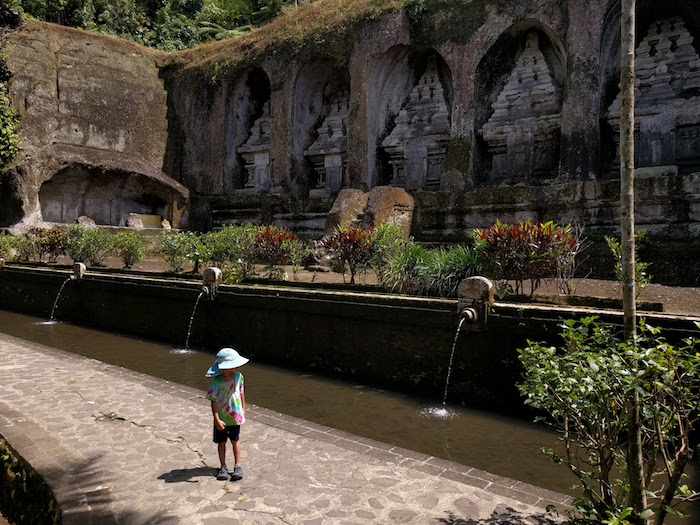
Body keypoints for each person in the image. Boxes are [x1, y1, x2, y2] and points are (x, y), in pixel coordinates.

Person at [205, 347, 249, 481]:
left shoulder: (239, 377)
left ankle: (237, 465)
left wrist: (243, 408)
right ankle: (223, 466)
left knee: (236, 440)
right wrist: (216, 418)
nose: (236, 367)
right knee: (222, 442)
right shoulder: (216, 382)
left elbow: (241, 393)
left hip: (235, 417)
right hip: (222, 418)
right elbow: (214, 401)